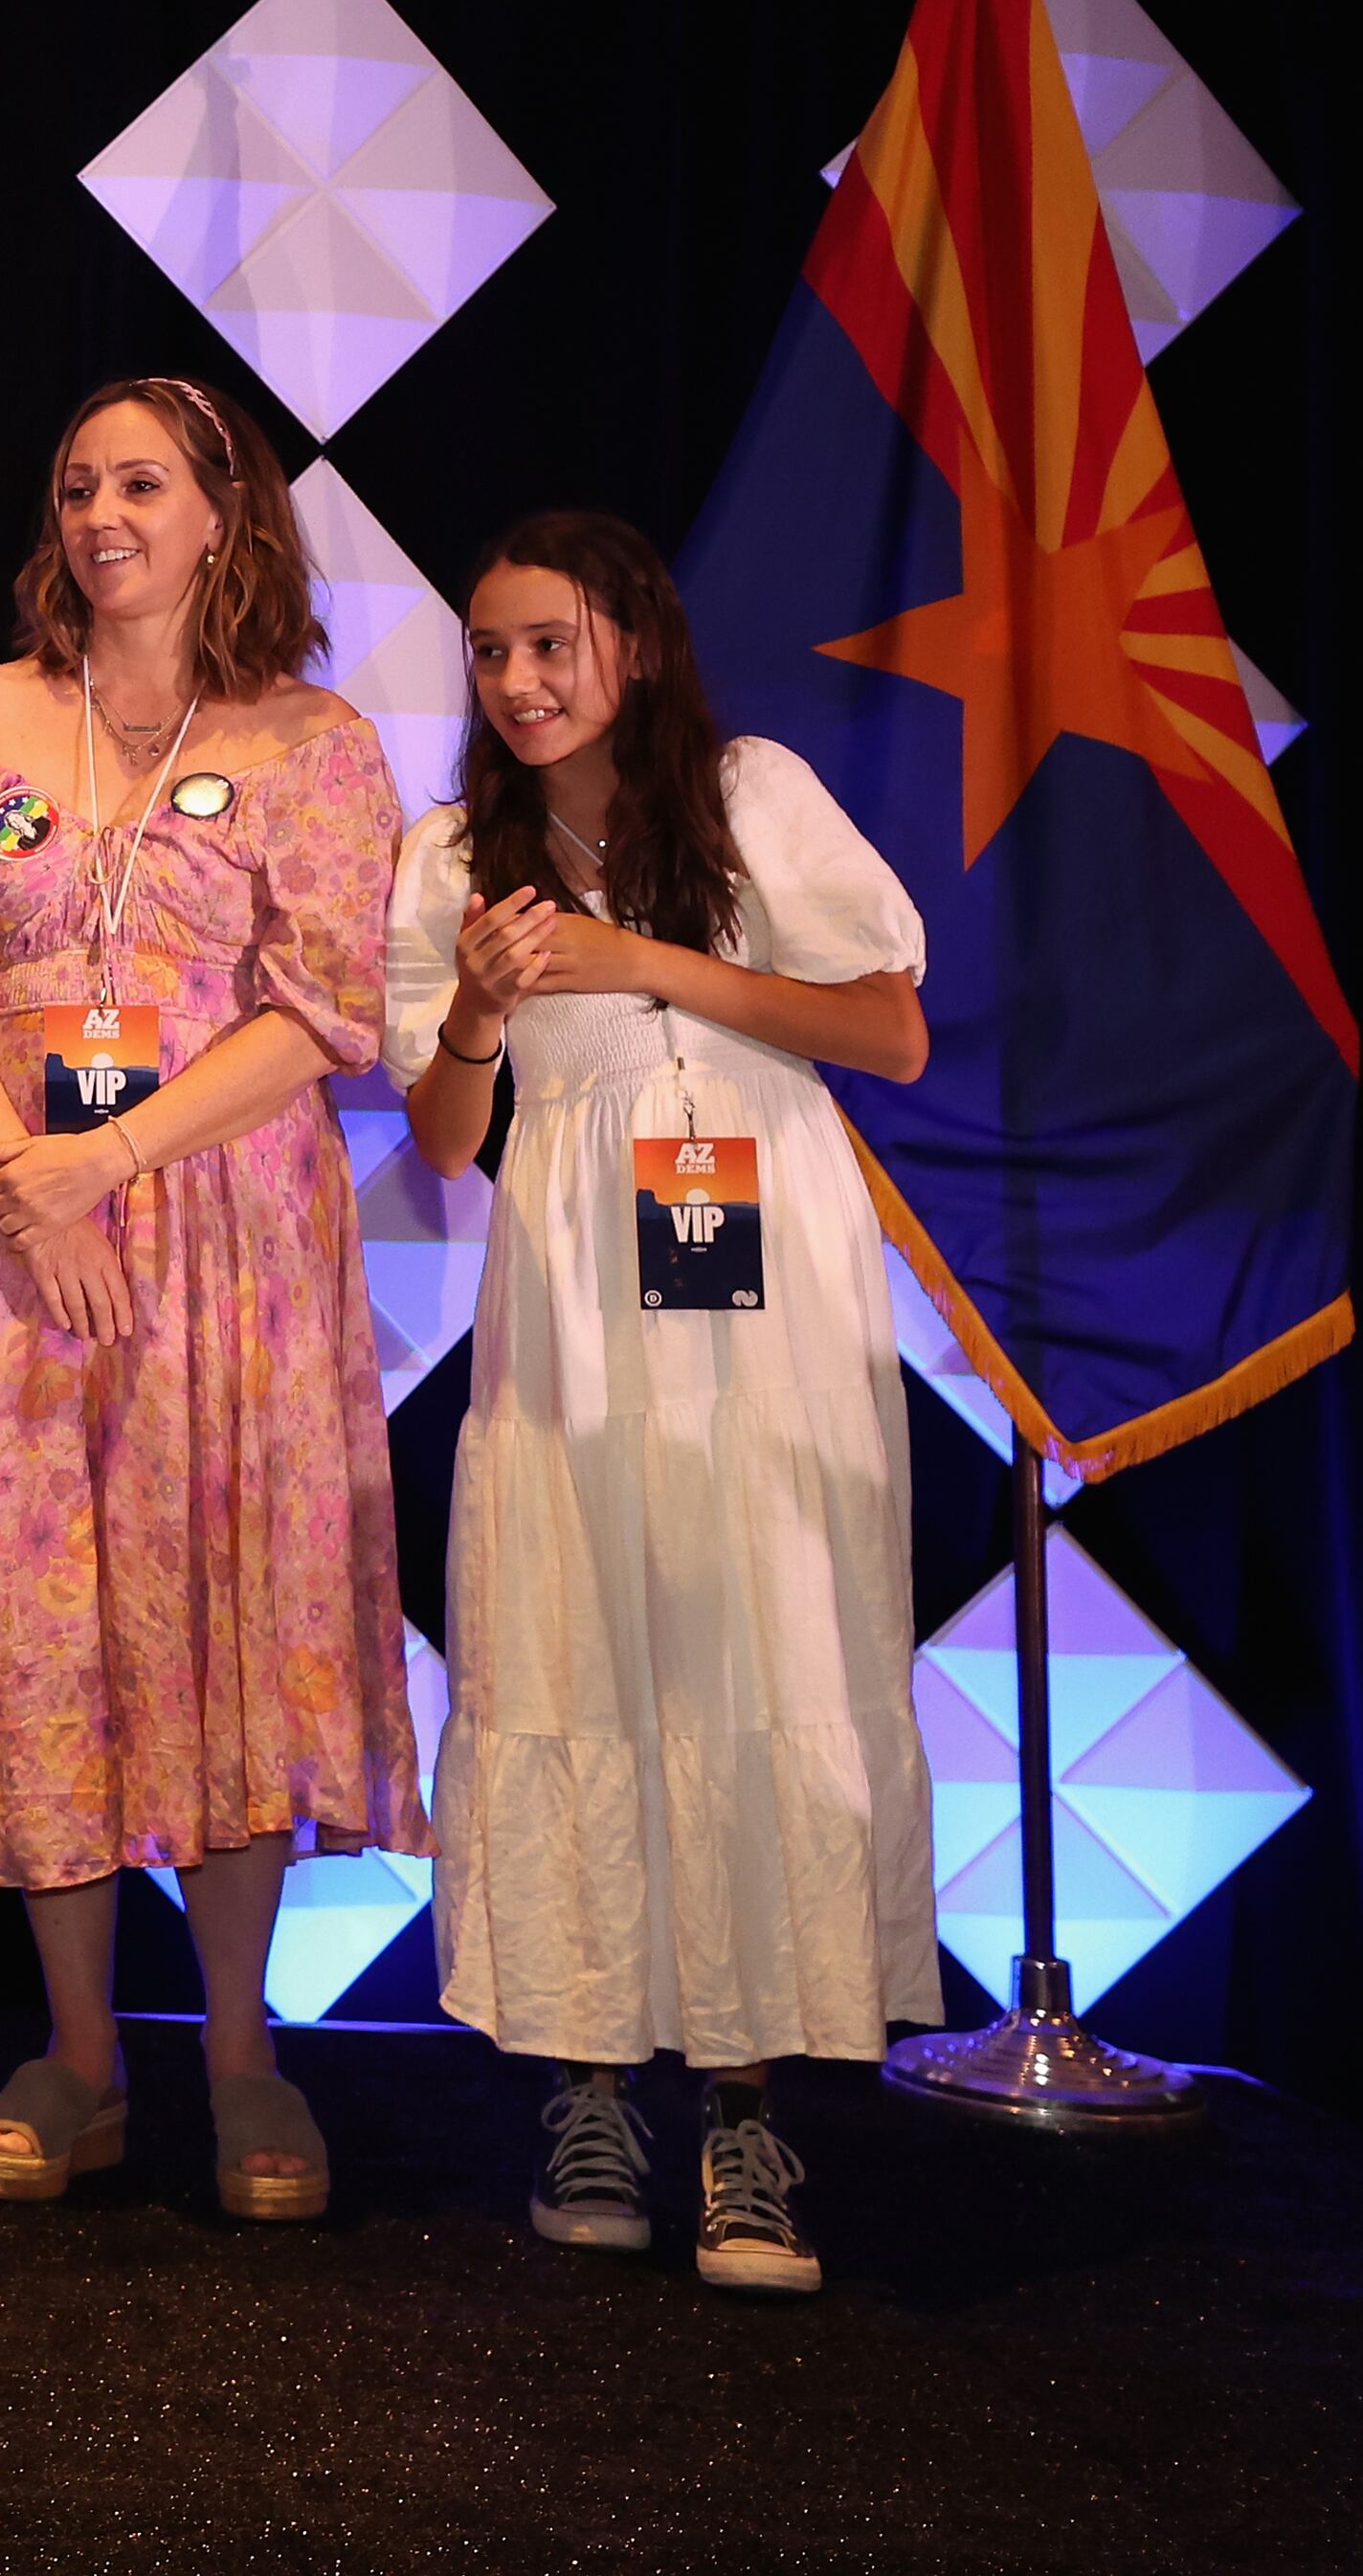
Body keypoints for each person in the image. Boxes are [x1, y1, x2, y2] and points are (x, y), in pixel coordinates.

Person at [0, 374, 418, 2218]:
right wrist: (29, 1170)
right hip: (10, 1227)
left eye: (144, 483)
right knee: (48, 1633)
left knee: (219, 1618)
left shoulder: (314, 740)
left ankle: (244, 2054)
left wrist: (116, 1158)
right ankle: (81, 2055)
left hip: (223, 1242)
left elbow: (326, 1010)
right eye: (81, 482)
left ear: (222, 514)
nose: (106, 513)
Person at [390, 511, 939, 2295]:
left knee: (760, 1650)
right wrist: (474, 1017)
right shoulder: (453, 851)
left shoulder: (752, 790)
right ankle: (587, 2089)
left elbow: (890, 1030)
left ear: (632, 638)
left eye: (550, 641)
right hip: (568, 1307)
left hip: (769, 1293)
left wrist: (651, 966)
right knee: (572, 1650)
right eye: (489, 649)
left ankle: (749, 2118)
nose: (520, 680)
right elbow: (450, 1144)